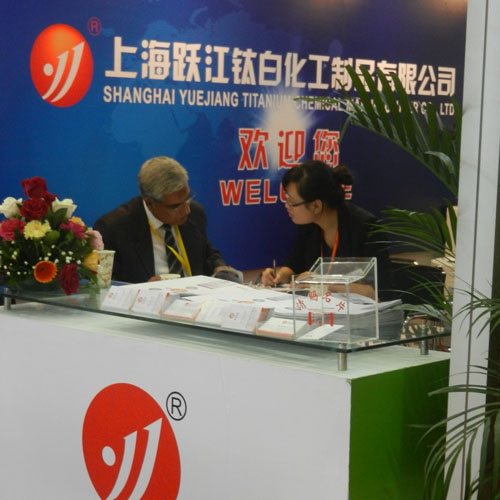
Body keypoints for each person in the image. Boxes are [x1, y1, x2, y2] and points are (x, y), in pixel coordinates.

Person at [94, 156, 234, 283]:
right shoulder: (115, 227)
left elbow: (207, 253)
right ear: (149, 203)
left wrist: (219, 267)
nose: (187, 210)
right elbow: (106, 285)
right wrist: (141, 290)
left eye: (187, 199)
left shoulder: (196, 213)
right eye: (175, 207)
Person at [260, 160, 389, 298]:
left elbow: (378, 291)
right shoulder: (309, 225)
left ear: (316, 206)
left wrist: (322, 282)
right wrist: (279, 275)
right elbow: (294, 266)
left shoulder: (365, 227)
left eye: (292, 202)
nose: (287, 206)